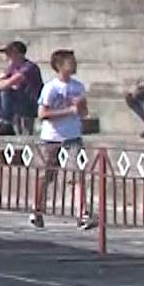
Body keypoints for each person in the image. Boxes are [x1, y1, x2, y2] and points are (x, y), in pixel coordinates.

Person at [32, 49, 94, 231]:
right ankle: (37, 209)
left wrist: (80, 108)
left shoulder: (78, 86)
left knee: (76, 175)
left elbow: (84, 112)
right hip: (51, 138)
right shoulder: (51, 88)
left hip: (72, 136)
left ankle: (82, 213)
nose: (74, 64)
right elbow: (42, 113)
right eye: (70, 62)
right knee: (45, 175)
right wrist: (68, 111)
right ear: (59, 66)